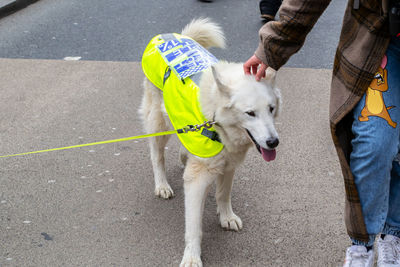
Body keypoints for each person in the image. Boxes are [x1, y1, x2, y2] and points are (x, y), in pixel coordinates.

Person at [244, 0, 400, 266]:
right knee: (374, 142)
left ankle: (393, 234)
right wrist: (273, 45)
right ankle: (362, 245)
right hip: (382, 38)